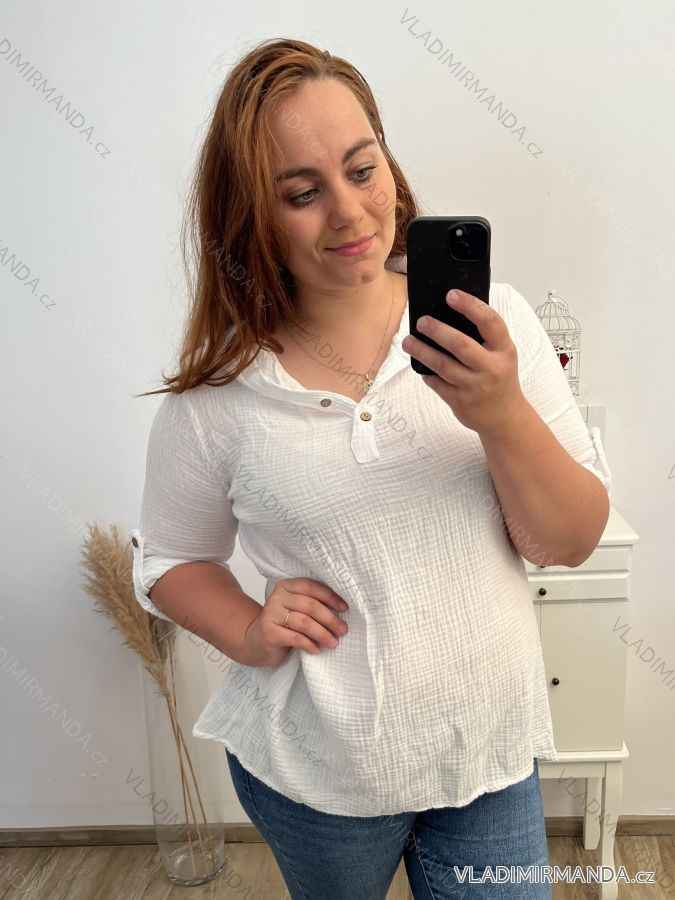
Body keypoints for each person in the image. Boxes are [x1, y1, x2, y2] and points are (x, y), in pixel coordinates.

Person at [129, 37, 611, 900]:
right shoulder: (219, 398)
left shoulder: (492, 325)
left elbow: (568, 541)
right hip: (319, 773)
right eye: (301, 194)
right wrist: (248, 628)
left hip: (485, 756)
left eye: (361, 169)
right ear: (249, 218)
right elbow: (168, 559)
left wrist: (499, 411)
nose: (350, 213)